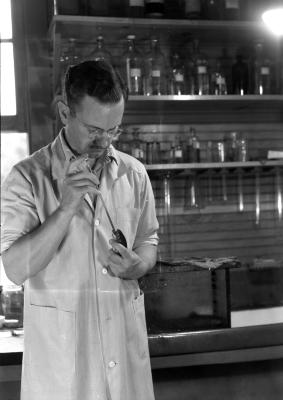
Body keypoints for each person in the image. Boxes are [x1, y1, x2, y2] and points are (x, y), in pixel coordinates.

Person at [1, 60, 159, 400]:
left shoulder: (134, 174)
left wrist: (140, 265)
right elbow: (15, 269)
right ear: (63, 113)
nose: (105, 141)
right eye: (94, 130)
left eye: (114, 130)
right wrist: (66, 208)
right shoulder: (27, 178)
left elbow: (148, 240)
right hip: (64, 372)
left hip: (125, 354)